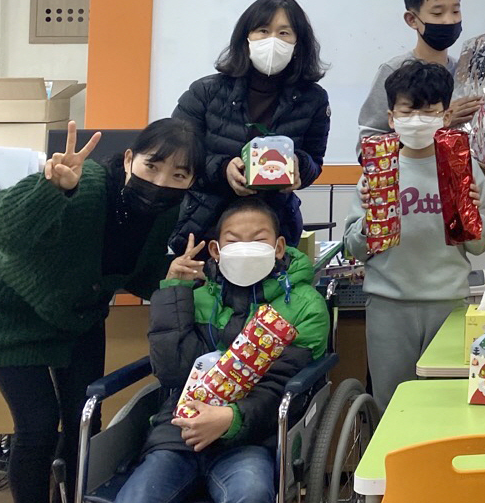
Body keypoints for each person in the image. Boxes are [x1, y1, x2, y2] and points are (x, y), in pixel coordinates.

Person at [0, 119, 203, 503]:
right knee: (38, 427)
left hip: (76, 313)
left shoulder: (165, 212)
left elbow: (132, 273)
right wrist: (51, 190)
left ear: (191, 182)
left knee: (85, 420)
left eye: (178, 175)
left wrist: (168, 274)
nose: (161, 181)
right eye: (152, 165)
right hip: (6, 309)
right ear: (129, 159)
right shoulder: (84, 185)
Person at [115, 197, 330, 503]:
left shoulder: (304, 306)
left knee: (251, 494)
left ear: (279, 247)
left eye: (258, 240)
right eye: (234, 241)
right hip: (181, 433)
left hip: (253, 438)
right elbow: (173, 371)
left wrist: (231, 419)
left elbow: (281, 385)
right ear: (216, 250)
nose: (245, 248)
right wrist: (174, 290)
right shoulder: (196, 296)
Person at [343, 60, 485, 409]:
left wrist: (471, 214)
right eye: (408, 111)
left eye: (429, 111)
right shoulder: (377, 170)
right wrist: (369, 219)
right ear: (391, 118)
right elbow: (354, 247)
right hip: (388, 305)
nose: (418, 120)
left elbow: (480, 244)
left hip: (448, 303)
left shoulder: (463, 167)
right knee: (392, 402)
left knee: (446, 403)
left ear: (446, 116)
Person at [172, 0, 331, 252]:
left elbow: (315, 161)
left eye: (284, 33)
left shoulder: (313, 99)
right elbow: (178, 158)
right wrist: (223, 169)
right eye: (263, 31)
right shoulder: (205, 92)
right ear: (245, 38)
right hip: (205, 224)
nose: (273, 40)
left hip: (274, 227)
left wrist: (299, 166)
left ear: (298, 43)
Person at [357, 0, 483, 135]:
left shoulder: (465, 74)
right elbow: (369, 139)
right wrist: (437, 121)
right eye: (437, 13)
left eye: (455, 11)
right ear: (412, 19)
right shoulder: (394, 71)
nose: (449, 20)